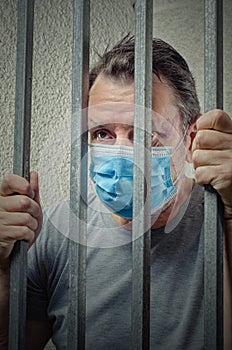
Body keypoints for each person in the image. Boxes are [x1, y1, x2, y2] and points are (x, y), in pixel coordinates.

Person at [0, 36, 232, 350]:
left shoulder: (223, 216)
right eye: (103, 133)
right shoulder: (53, 232)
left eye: (145, 133)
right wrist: (2, 270)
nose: (121, 153)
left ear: (191, 141)